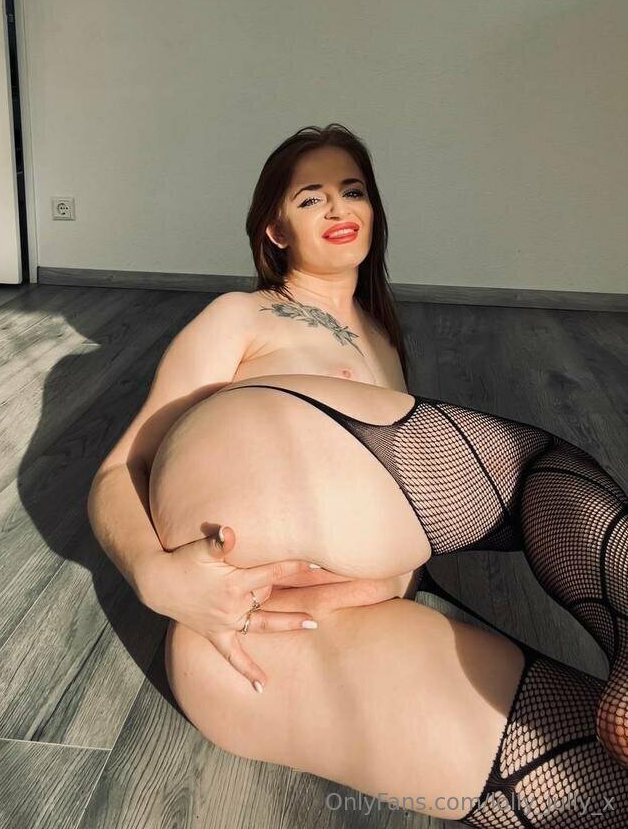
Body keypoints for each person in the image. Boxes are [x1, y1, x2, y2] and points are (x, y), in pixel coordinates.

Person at [87, 123, 628, 825]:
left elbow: (386, 528)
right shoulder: (239, 315)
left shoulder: (382, 340)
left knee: (598, 783)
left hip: (287, 643)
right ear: (275, 230)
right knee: (538, 471)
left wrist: (384, 581)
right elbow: (120, 467)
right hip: (223, 626)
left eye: (353, 191)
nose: (339, 208)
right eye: (311, 198)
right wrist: (153, 577)